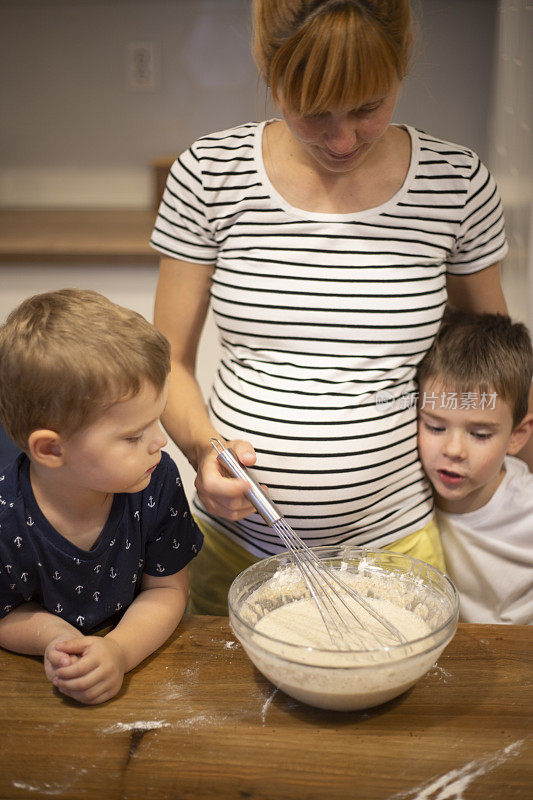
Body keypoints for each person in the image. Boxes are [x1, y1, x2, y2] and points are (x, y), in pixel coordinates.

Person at [150, 0, 513, 615]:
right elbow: (165, 363)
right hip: (236, 547)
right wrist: (203, 452)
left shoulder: (456, 183)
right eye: (312, 113)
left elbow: (496, 366)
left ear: (400, 69)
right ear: (272, 76)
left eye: (368, 107)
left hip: (397, 541)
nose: (342, 140)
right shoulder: (211, 173)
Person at [0, 289, 203, 704]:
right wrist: (54, 637)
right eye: (133, 436)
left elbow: (166, 591)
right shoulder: (6, 517)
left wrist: (119, 650)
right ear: (52, 449)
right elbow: (4, 614)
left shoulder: (155, 482)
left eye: (155, 422)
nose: (160, 442)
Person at [417, 307, 533, 624]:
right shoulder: (408, 494)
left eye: (479, 434)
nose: (453, 450)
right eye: (435, 427)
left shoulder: (527, 511)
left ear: (517, 436)